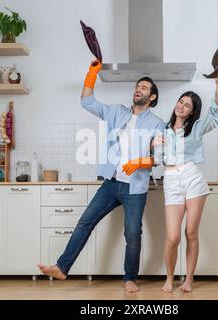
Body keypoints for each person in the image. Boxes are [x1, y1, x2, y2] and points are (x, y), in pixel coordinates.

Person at [38, 59, 165, 293]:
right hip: (111, 183)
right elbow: (86, 101)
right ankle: (62, 267)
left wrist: (141, 162)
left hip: (135, 188)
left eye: (144, 87)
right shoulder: (116, 112)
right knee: (85, 223)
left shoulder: (158, 124)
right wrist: (91, 74)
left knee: (133, 234)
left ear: (153, 97)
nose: (139, 89)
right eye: (137, 86)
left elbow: (160, 156)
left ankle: (130, 278)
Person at [141, 76, 218, 292]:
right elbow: (157, 161)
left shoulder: (196, 127)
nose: (182, 106)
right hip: (171, 180)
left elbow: (215, 114)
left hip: (192, 177)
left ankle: (188, 280)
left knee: (191, 233)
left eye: (187, 105)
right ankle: (169, 277)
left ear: (192, 111)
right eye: (181, 101)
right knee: (173, 237)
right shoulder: (163, 131)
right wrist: (153, 146)